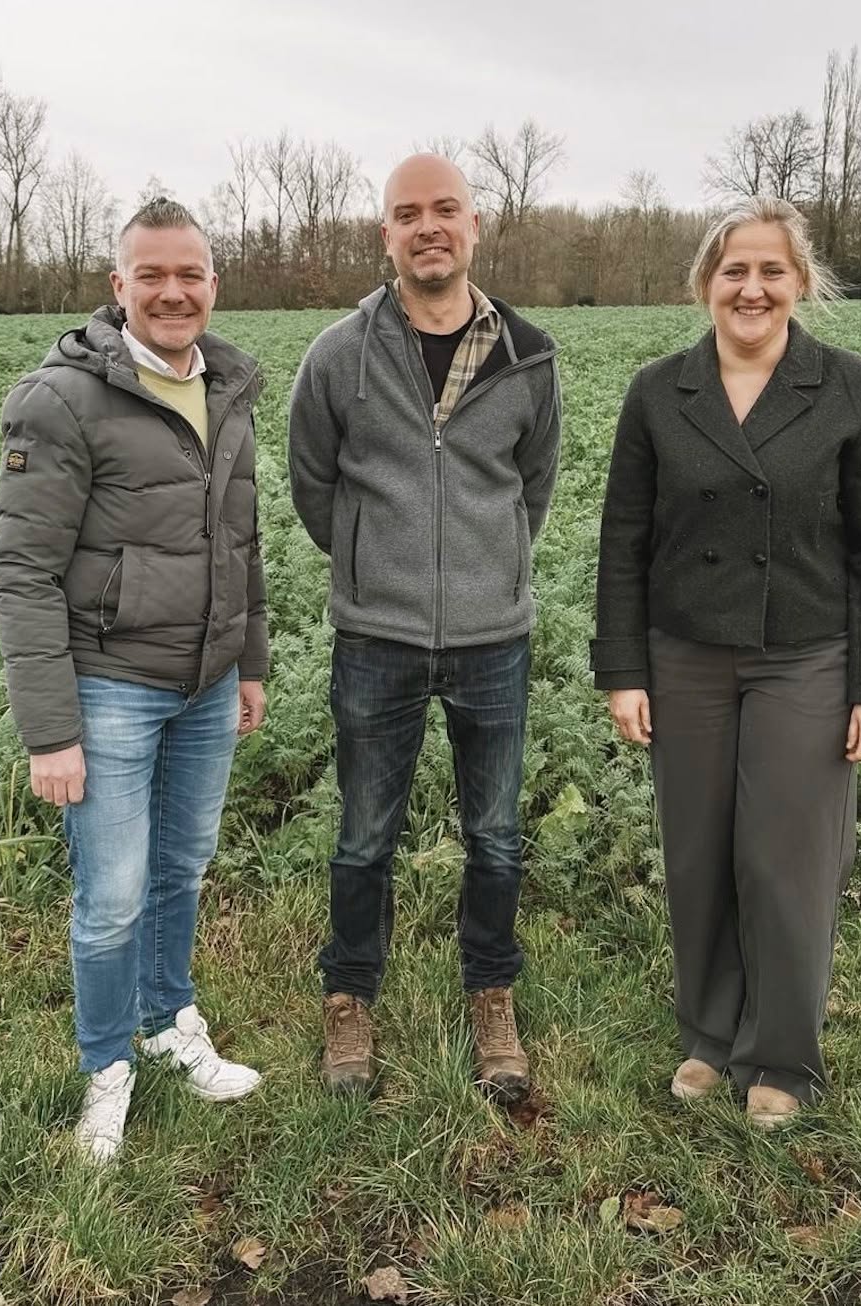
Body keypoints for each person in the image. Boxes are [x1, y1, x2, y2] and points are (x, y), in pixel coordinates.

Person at [591, 196, 861, 1129]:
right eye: (735, 270)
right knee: (697, 853)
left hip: (807, 657)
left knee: (785, 861)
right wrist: (624, 668)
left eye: (772, 270)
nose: (752, 287)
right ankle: (708, 1032)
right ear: (706, 282)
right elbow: (624, 540)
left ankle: (782, 1055)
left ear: (800, 282)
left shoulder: (849, 386)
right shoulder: (660, 391)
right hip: (684, 654)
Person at [0, 198, 268, 1163]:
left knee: (182, 869)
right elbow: (18, 569)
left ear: (213, 285)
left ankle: (167, 1021)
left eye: (189, 274)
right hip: (108, 684)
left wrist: (249, 662)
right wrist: (49, 730)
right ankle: (107, 1067)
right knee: (110, 893)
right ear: (120, 287)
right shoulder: (59, 400)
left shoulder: (228, 388)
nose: (173, 292)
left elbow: (242, 542)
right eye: (152, 275)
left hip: (205, 686)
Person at [287, 153, 562, 1102]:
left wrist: (490, 569)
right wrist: (373, 562)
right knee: (366, 833)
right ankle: (350, 998)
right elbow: (314, 485)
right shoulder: (337, 354)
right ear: (387, 236)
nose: (428, 227)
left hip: (495, 638)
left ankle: (491, 994)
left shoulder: (529, 355)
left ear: (475, 225)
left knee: (494, 833)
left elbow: (534, 486)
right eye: (409, 214)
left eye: (445, 209)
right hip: (378, 636)